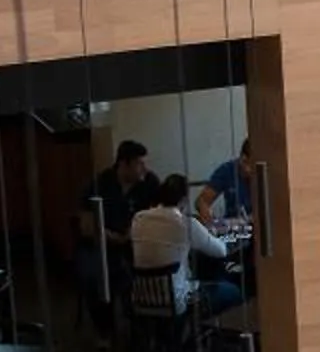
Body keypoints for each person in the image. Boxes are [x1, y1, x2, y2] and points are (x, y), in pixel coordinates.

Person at [130, 174, 240, 319]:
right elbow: (221, 251)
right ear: (183, 200)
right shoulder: (186, 223)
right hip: (178, 302)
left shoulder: (138, 218)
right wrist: (211, 233)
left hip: (142, 300)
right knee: (233, 291)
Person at [77, 139, 155, 333]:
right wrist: (110, 236)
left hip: (135, 242)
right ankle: (104, 330)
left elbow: (158, 214)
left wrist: (133, 231)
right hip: (100, 243)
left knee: (152, 270)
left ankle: (143, 326)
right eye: (139, 164)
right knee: (92, 276)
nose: (144, 168)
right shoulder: (99, 184)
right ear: (123, 164)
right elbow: (87, 225)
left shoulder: (149, 182)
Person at [198, 137, 255, 228]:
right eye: (250, 165)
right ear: (243, 159)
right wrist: (213, 225)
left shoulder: (266, 173)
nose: (252, 172)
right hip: (236, 229)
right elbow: (202, 201)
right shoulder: (227, 171)